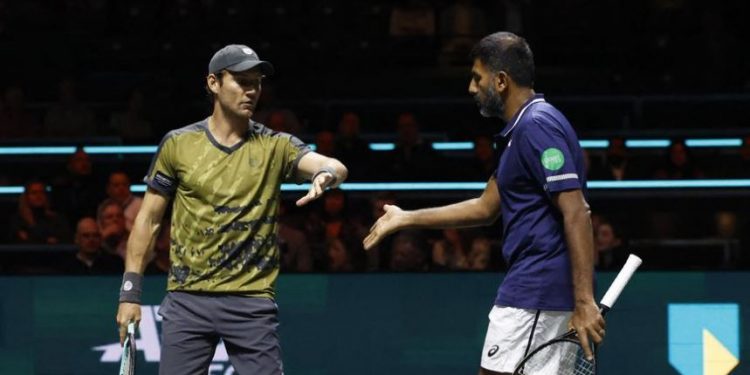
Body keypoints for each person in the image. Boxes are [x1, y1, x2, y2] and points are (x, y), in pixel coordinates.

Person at [364, 32, 604, 374]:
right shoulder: (520, 132)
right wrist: (406, 218)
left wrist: (583, 301)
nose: (472, 88)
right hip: (537, 289)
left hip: (537, 291)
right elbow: (485, 207)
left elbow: (577, 211)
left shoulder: (537, 126)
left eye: (477, 78)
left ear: (501, 80)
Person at [115, 44, 348, 375]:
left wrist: (328, 174)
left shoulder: (275, 146)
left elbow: (333, 165)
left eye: (257, 82)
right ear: (213, 83)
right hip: (187, 300)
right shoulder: (178, 145)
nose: (251, 90)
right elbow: (148, 221)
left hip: (251, 301)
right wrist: (130, 294)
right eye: (241, 81)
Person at [60, 217, 124, 275]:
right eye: (86, 236)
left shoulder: (114, 263)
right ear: (77, 239)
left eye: (95, 236)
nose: (91, 240)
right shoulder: (65, 266)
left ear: (100, 238)